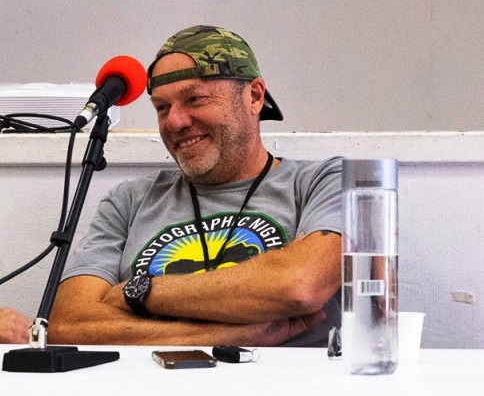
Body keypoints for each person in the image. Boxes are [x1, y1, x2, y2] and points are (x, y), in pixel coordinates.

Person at [49, 25, 342, 347]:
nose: (175, 122)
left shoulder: (324, 182)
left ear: (254, 97)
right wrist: (222, 336)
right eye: (162, 108)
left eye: (195, 99)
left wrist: (140, 292)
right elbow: (68, 324)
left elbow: (299, 285)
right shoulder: (129, 201)